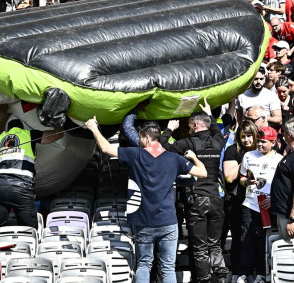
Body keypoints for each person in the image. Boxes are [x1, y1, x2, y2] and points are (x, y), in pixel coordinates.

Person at [86, 116, 206, 283]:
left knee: (144, 264)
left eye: (141, 137)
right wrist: (193, 157)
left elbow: (106, 148)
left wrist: (93, 128)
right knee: (168, 268)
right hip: (169, 221)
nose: (140, 141)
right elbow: (203, 173)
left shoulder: (135, 154)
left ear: (147, 138)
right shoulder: (174, 158)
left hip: (144, 220)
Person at [161, 113, 227, 283]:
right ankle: (220, 277)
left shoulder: (188, 143)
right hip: (215, 198)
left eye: (190, 126)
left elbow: (161, 147)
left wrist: (169, 129)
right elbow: (216, 131)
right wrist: (210, 115)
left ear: (195, 126)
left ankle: (204, 280)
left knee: (199, 247)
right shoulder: (219, 141)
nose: (189, 129)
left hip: (197, 199)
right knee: (215, 244)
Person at [0, 104, 64, 238]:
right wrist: (60, 124)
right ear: (21, 128)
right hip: (22, 189)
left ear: (9, 130)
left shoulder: (0, 138)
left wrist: (2, 118)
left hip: (1, 188)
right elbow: (56, 136)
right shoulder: (27, 134)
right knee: (30, 231)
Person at [235, 126, 282, 283]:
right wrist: (246, 182)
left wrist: (274, 200)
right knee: (246, 239)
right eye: (259, 142)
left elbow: (282, 186)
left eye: (264, 142)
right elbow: (242, 177)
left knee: (264, 242)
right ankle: (244, 273)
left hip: (268, 206)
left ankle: (262, 274)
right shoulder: (248, 156)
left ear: (273, 143)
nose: (260, 145)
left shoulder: (279, 159)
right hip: (250, 203)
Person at [221, 121, 258, 275]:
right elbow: (229, 177)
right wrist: (246, 159)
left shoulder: (261, 149)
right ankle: (237, 272)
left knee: (255, 238)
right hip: (236, 200)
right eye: (243, 136)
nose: (246, 140)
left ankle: (256, 270)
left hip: (257, 201)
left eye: (250, 136)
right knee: (238, 238)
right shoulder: (232, 150)